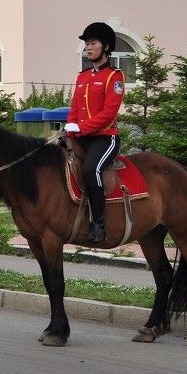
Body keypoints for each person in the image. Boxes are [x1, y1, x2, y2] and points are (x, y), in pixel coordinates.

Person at [65, 22, 125, 243]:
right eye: (86, 44)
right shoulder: (82, 76)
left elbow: (109, 113)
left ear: (106, 46)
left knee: (91, 169)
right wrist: (70, 128)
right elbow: (74, 108)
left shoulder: (114, 77)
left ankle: (99, 225)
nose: (88, 48)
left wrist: (82, 127)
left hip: (105, 138)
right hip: (81, 137)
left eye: (93, 43)